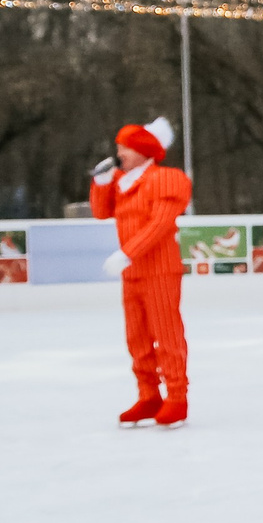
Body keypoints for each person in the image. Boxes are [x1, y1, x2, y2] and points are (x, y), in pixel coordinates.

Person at [89, 117, 193, 427]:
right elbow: (100, 212)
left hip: (159, 269)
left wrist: (127, 252)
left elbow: (160, 223)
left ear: (143, 150)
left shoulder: (167, 179)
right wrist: (101, 183)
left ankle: (176, 397)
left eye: (125, 147)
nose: (119, 153)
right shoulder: (123, 182)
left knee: (166, 333)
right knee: (137, 338)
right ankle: (148, 395)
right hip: (132, 273)